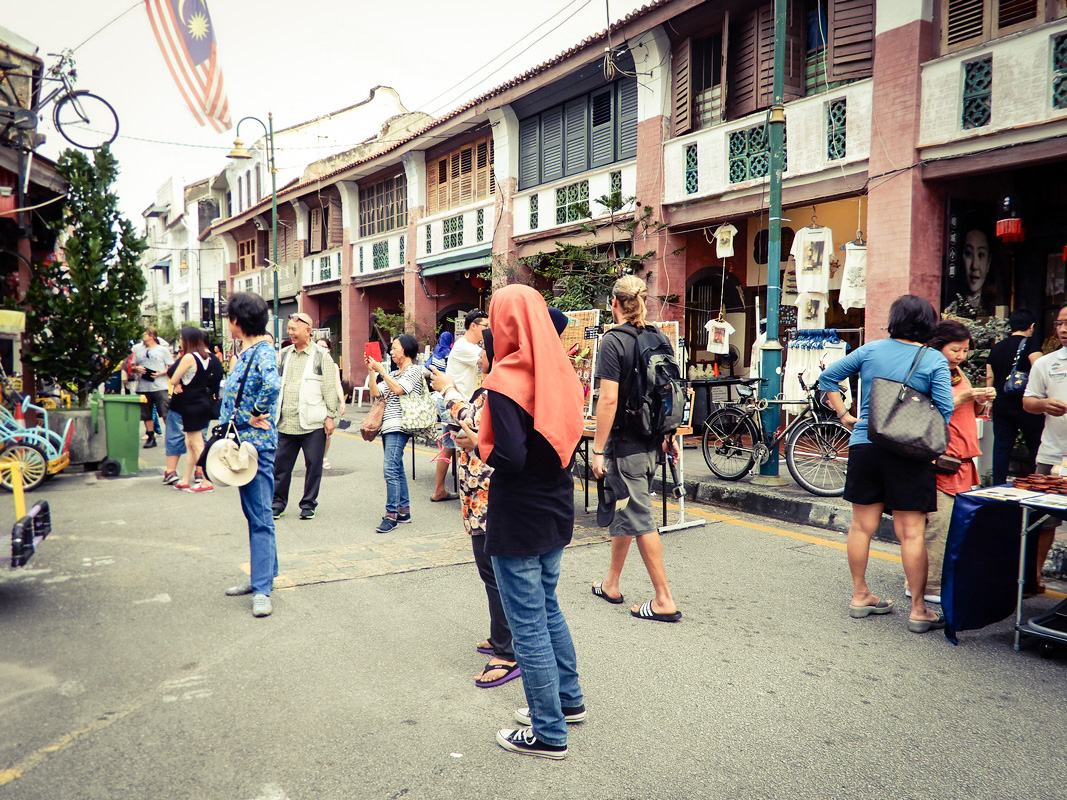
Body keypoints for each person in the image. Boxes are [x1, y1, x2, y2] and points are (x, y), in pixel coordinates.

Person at [477, 285, 585, 760]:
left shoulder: (505, 378)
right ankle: (568, 701)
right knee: (546, 605)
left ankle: (548, 732)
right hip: (557, 501)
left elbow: (512, 457)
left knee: (527, 624)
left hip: (519, 510)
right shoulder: (560, 370)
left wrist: (476, 447)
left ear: (505, 323)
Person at [819, 295, 954, 634]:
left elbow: (827, 379)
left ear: (894, 319)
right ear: (928, 323)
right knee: (911, 533)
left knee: (861, 526)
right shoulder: (934, 359)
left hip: (866, 443)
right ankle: (919, 610)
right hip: (910, 451)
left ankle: (860, 594)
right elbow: (944, 411)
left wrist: (846, 415)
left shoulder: (870, 350)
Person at [431, 328, 519, 689]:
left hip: (488, 493)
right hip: (478, 494)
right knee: (490, 573)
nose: (479, 354)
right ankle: (501, 637)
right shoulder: (492, 385)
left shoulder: (498, 388)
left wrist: (450, 389)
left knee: (495, 574)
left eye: (483, 348)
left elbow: (476, 423)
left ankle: (507, 649)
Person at [590, 275, 681, 623]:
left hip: (626, 443)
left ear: (615, 303)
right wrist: (669, 434)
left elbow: (609, 398)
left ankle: (664, 599)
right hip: (652, 441)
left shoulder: (613, 341)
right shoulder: (658, 336)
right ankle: (611, 583)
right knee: (627, 507)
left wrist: (598, 449)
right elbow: (670, 391)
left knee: (639, 516)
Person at [908, 320, 995, 604]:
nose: (960, 355)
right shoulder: (928, 372)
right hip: (941, 457)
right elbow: (924, 409)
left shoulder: (957, 373)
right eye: (955, 349)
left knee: (952, 524)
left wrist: (981, 399)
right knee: (938, 524)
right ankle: (927, 586)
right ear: (938, 346)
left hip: (962, 456)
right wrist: (964, 398)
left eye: (965, 350)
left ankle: (937, 579)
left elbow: (968, 408)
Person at [219, 292, 282, 618]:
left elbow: (272, 385)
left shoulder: (261, 352)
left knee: (260, 518)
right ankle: (263, 576)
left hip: (254, 446)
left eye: (229, 317)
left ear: (237, 321)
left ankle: (262, 589)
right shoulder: (250, 350)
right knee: (256, 515)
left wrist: (256, 412)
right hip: (245, 443)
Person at [272, 313, 340, 521]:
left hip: (312, 423)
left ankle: (308, 504)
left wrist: (330, 416)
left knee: (313, 465)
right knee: (281, 467)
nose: (290, 332)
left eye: (294, 329)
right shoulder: (283, 354)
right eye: (289, 329)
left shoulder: (321, 356)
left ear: (308, 330)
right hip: (286, 421)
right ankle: (277, 503)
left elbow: (329, 388)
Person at [1019, 302, 1067, 595]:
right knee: (1042, 522)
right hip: (1051, 455)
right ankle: (1032, 578)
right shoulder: (1045, 363)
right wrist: (1043, 404)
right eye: (1060, 323)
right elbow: (1028, 401)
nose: (1064, 329)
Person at [366, 333, 426, 533]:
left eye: (394, 348)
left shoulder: (414, 371)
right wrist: (371, 372)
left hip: (400, 425)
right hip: (389, 425)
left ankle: (390, 515)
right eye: (390, 349)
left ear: (407, 350)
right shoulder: (396, 373)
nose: (391, 352)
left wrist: (382, 371)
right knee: (397, 468)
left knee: (389, 468)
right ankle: (403, 510)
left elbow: (400, 390)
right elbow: (376, 393)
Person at [986, 309, 1044, 485]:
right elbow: (1040, 369)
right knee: (1035, 444)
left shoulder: (996, 347)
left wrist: (989, 400)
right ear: (1031, 326)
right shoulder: (1031, 344)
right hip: (1026, 403)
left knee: (1002, 446)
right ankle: (1037, 482)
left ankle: (997, 485)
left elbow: (990, 377)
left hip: (1001, 403)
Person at [167, 326, 224, 492]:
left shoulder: (189, 357)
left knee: (197, 444)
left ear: (187, 340)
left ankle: (207, 481)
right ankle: (185, 479)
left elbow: (174, 378)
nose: (179, 341)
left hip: (191, 404)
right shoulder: (206, 356)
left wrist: (177, 383)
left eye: (181, 339)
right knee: (190, 442)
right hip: (203, 402)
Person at [131, 326, 173, 449]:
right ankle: (150, 436)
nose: (143, 337)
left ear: (152, 336)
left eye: (145, 335)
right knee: (146, 414)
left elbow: (170, 366)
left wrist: (161, 372)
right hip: (143, 386)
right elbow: (132, 366)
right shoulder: (138, 351)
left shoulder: (162, 350)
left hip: (159, 385)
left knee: (164, 411)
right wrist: (137, 368)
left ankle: (170, 437)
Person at [429, 330, 457, 502]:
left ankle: (439, 489)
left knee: (448, 444)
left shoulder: (436, 351)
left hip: (441, 397)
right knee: (456, 443)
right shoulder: (449, 352)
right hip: (449, 396)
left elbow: (427, 367)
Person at [315, 338, 346, 470]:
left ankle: (324, 456)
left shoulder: (333, 365)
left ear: (329, 349)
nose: (322, 349)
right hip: (314, 402)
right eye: (319, 347)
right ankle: (314, 457)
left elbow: (337, 385)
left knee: (327, 431)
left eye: (324, 347)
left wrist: (342, 402)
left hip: (328, 402)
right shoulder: (311, 364)